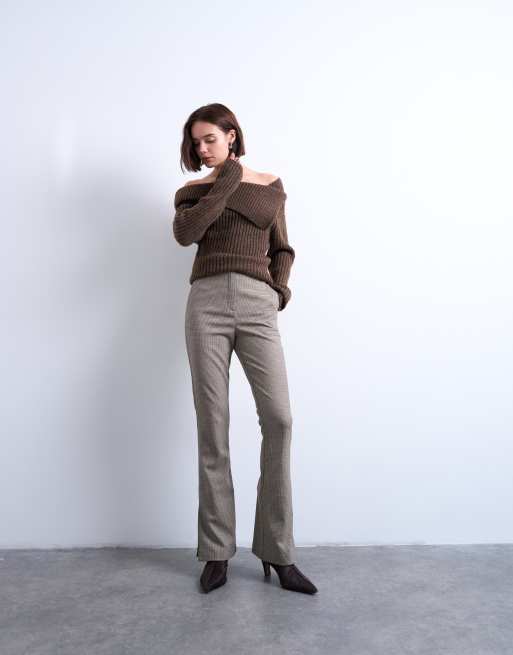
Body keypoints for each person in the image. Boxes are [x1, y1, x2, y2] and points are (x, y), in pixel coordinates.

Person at [172, 103, 317, 595]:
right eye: (196, 142)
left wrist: (278, 293)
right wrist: (226, 180)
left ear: (231, 135)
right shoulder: (192, 192)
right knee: (213, 426)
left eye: (210, 139)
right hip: (206, 304)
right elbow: (187, 234)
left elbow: (282, 249)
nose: (201, 148)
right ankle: (216, 551)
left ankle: (277, 550)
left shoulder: (270, 185)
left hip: (257, 304)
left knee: (279, 419)